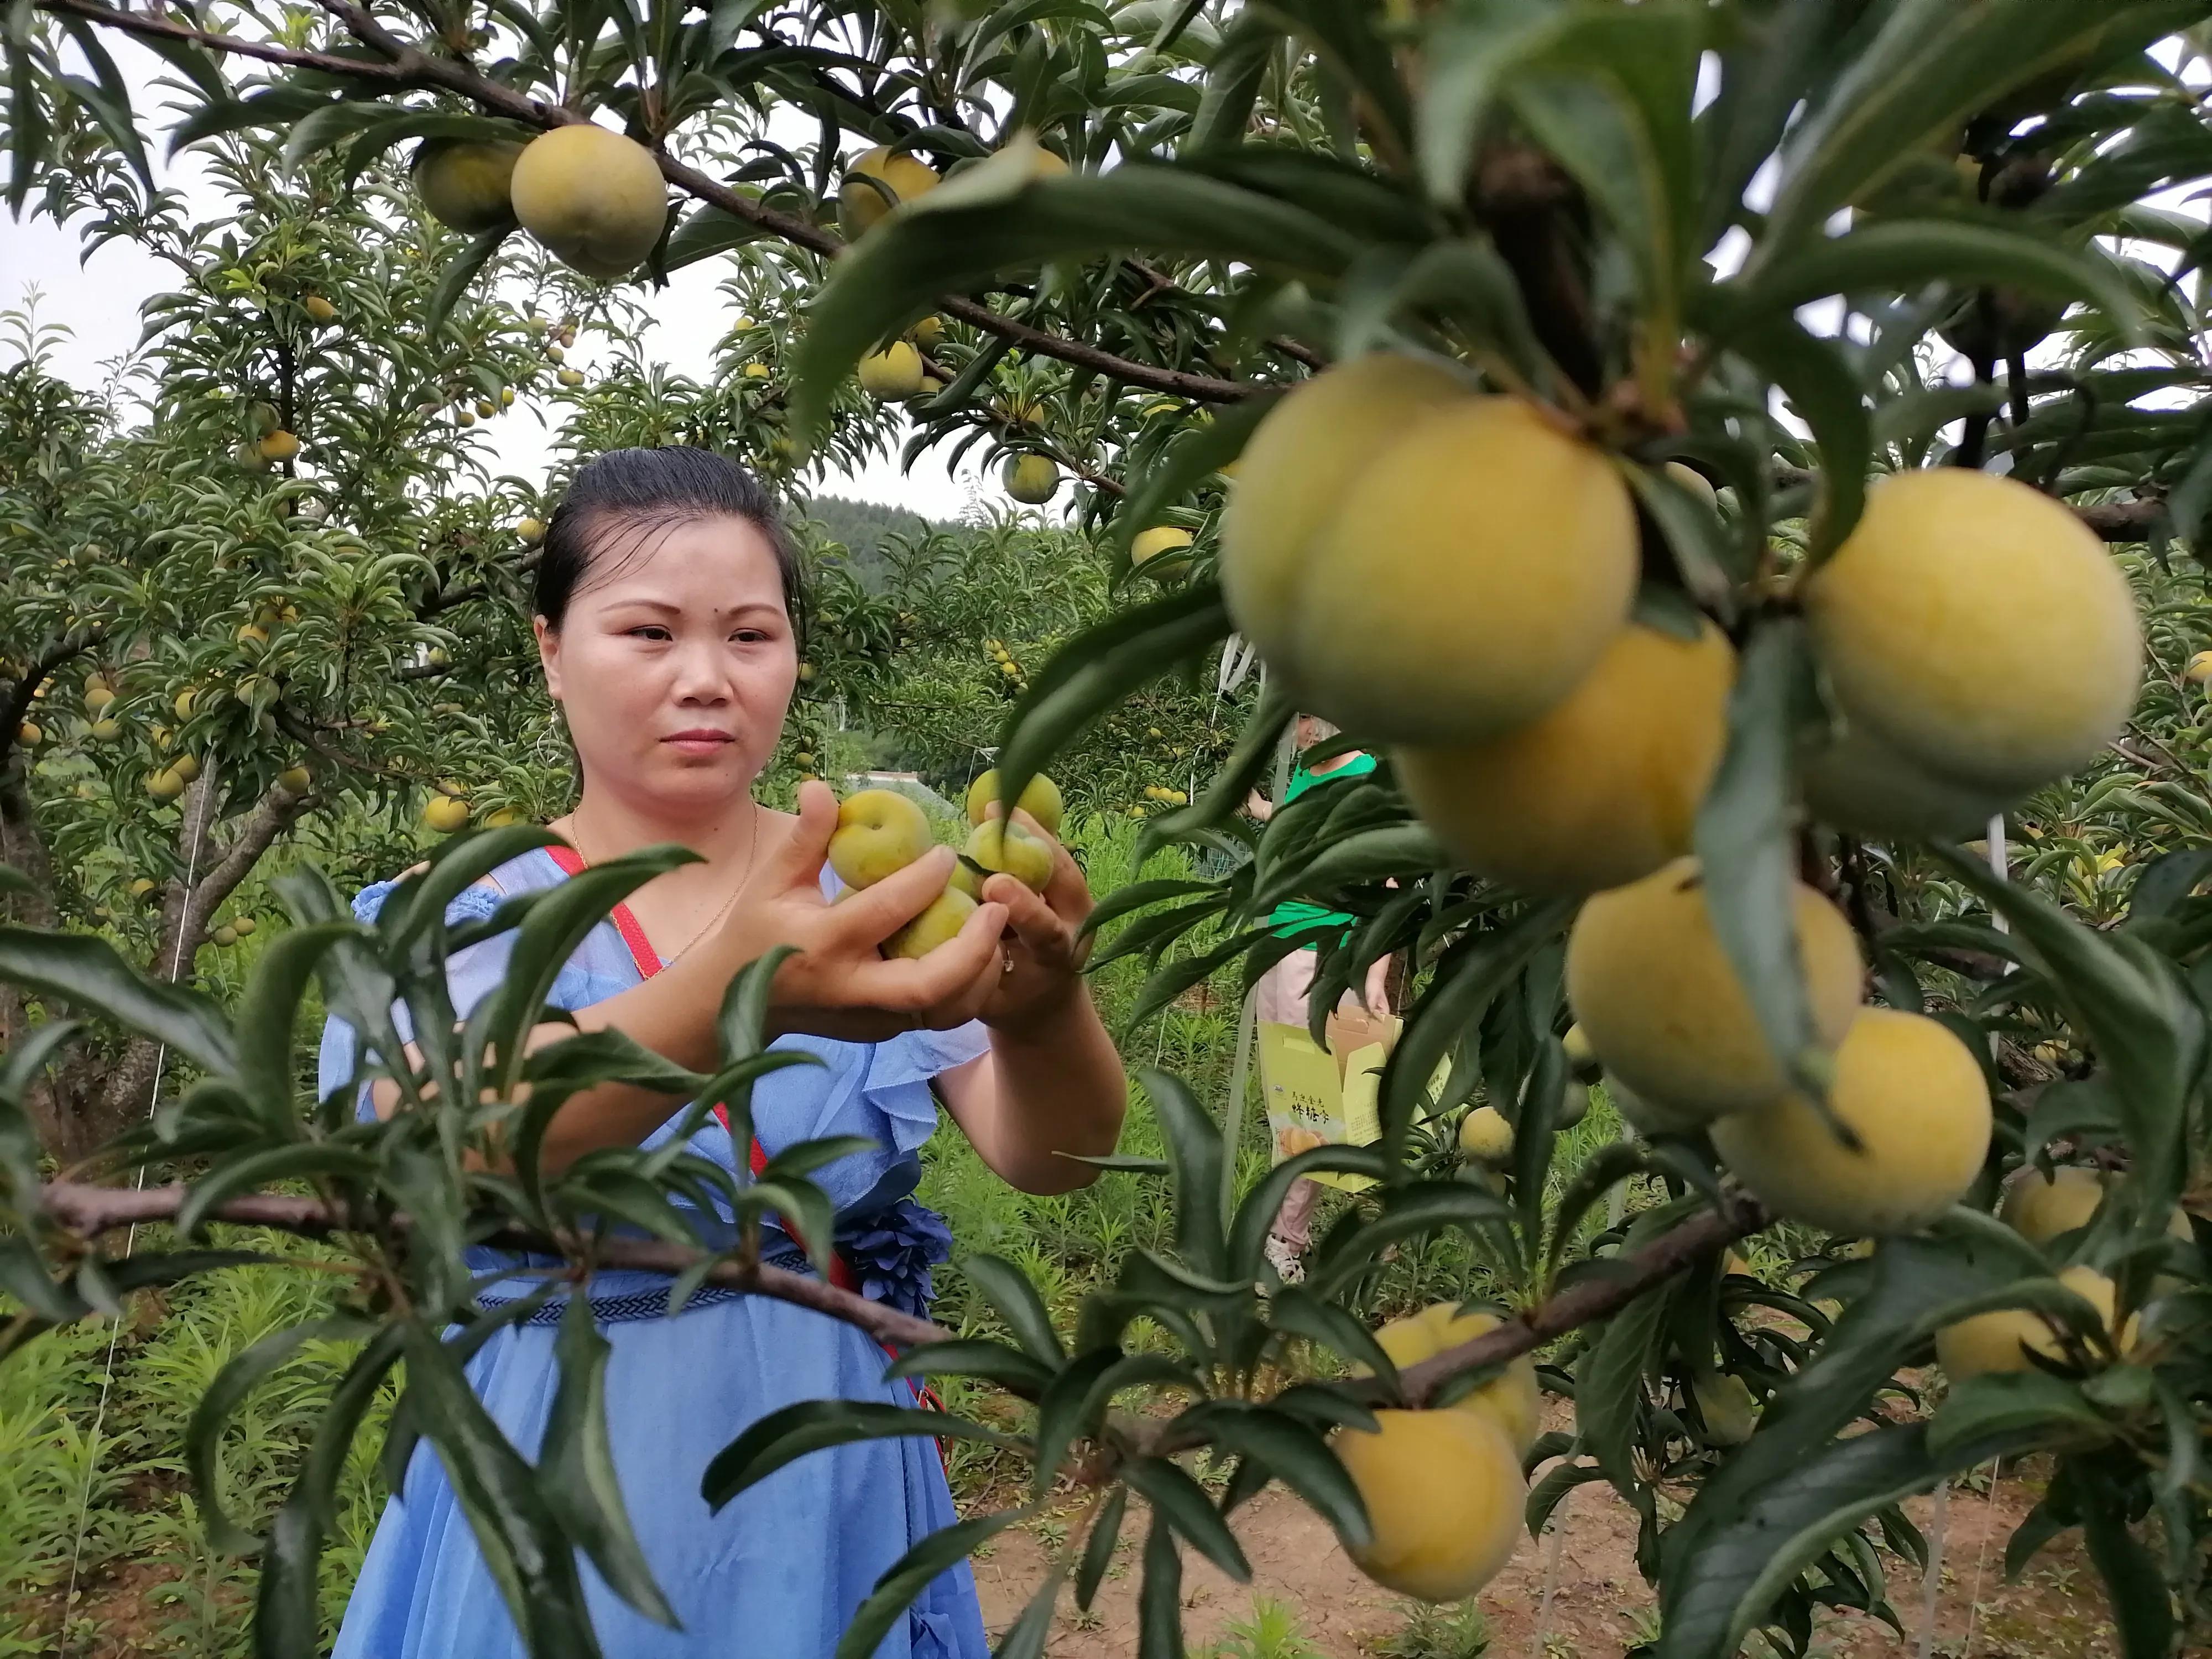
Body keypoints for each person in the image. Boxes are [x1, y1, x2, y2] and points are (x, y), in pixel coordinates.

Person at [317, 448, 1128, 1659]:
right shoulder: (464, 909)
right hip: (568, 1490)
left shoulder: (874, 895)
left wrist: (1042, 1009)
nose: (705, 678)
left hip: (828, 1489)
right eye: (647, 632)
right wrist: (739, 995)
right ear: (550, 651)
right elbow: (435, 1142)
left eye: (750, 636)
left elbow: (1053, 1157)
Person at [1244, 714, 1392, 1284]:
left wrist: (1375, 970)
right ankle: (1286, 1231)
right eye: (1298, 715)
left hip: (1325, 955)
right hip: (1281, 944)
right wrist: (1259, 809)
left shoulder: (1366, 778)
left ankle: (1287, 1240)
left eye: (1313, 712)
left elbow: (1389, 881)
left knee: (1309, 1103)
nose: (1304, 726)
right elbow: (1298, 829)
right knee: (1286, 1098)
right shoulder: (1308, 774)